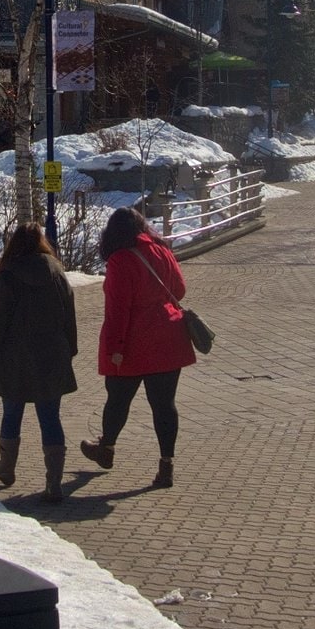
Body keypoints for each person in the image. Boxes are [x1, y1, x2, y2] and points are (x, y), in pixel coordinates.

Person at [79, 207, 196, 488]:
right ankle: (166, 464)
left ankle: (106, 447)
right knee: (164, 406)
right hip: (169, 338)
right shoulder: (161, 249)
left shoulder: (120, 260)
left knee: (118, 401)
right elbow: (179, 290)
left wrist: (115, 347)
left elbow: (119, 309)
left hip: (133, 344)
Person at [0, 223, 79, 500]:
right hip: (51, 357)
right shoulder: (56, 272)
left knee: (11, 414)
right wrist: (69, 351)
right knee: (50, 418)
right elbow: (69, 314)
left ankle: (6, 469)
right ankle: (54, 483)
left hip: (14, 359)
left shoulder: (8, 275)